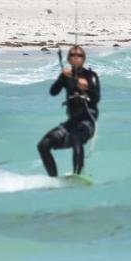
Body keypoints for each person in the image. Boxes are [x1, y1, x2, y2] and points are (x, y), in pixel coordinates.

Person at [37, 45, 101, 177]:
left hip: (88, 122)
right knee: (43, 145)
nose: (76, 58)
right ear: (68, 59)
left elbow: (96, 98)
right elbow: (53, 92)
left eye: (79, 56)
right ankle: (53, 178)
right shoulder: (67, 76)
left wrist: (86, 88)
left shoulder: (91, 76)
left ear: (84, 59)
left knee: (76, 136)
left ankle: (77, 175)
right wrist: (62, 77)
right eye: (72, 55)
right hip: (71, 122)